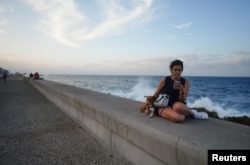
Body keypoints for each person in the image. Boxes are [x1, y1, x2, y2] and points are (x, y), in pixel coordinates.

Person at [141, 59, 207, 122]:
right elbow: (156, 95)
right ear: (171, 70)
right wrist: (150, 99)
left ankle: (194, 114)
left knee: (178, 107)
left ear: (182, 70)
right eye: (175, 70)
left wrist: (181, 90)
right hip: (164, 105)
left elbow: (183, 100)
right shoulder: (165, 80)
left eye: (179, 70)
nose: (177, 72)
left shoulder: (185, 82)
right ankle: (160, 112)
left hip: (178, 104)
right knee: (180, 118)